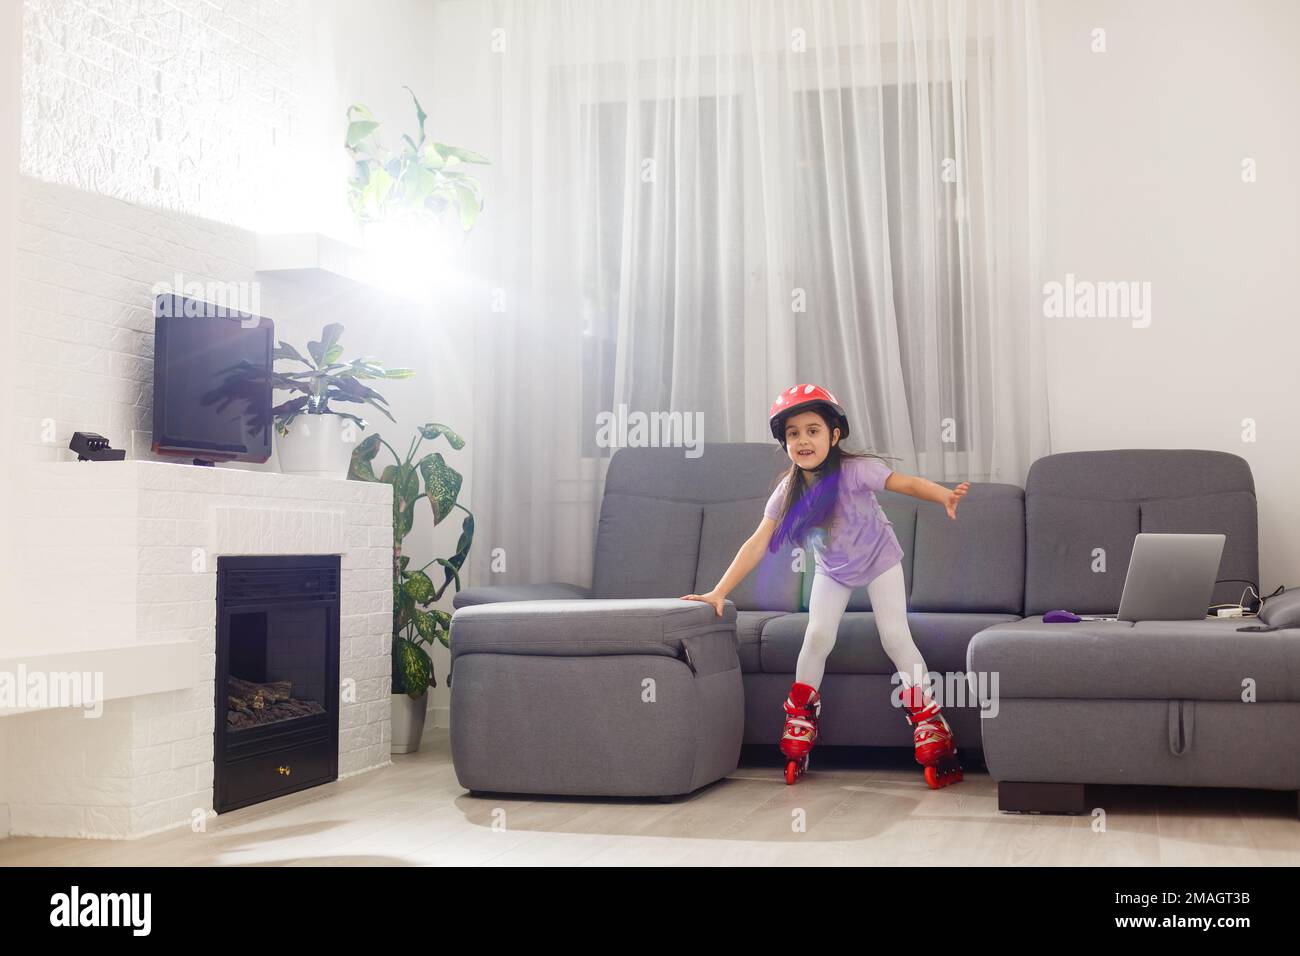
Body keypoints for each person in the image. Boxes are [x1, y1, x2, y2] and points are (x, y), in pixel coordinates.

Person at [681, 384, 970, 787]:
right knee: (816, 636)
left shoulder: (855, 472)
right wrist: (719, 591)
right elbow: (758, 542)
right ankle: (800, 717)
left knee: (894, 636)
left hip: (880, 561)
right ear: (784, 443)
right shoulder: (788, 493)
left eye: (813, 430)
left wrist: (943, 496)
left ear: (834, 435)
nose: (803, 440)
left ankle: (929, 720)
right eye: (793, 433)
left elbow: (904, 483)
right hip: (833, 571)